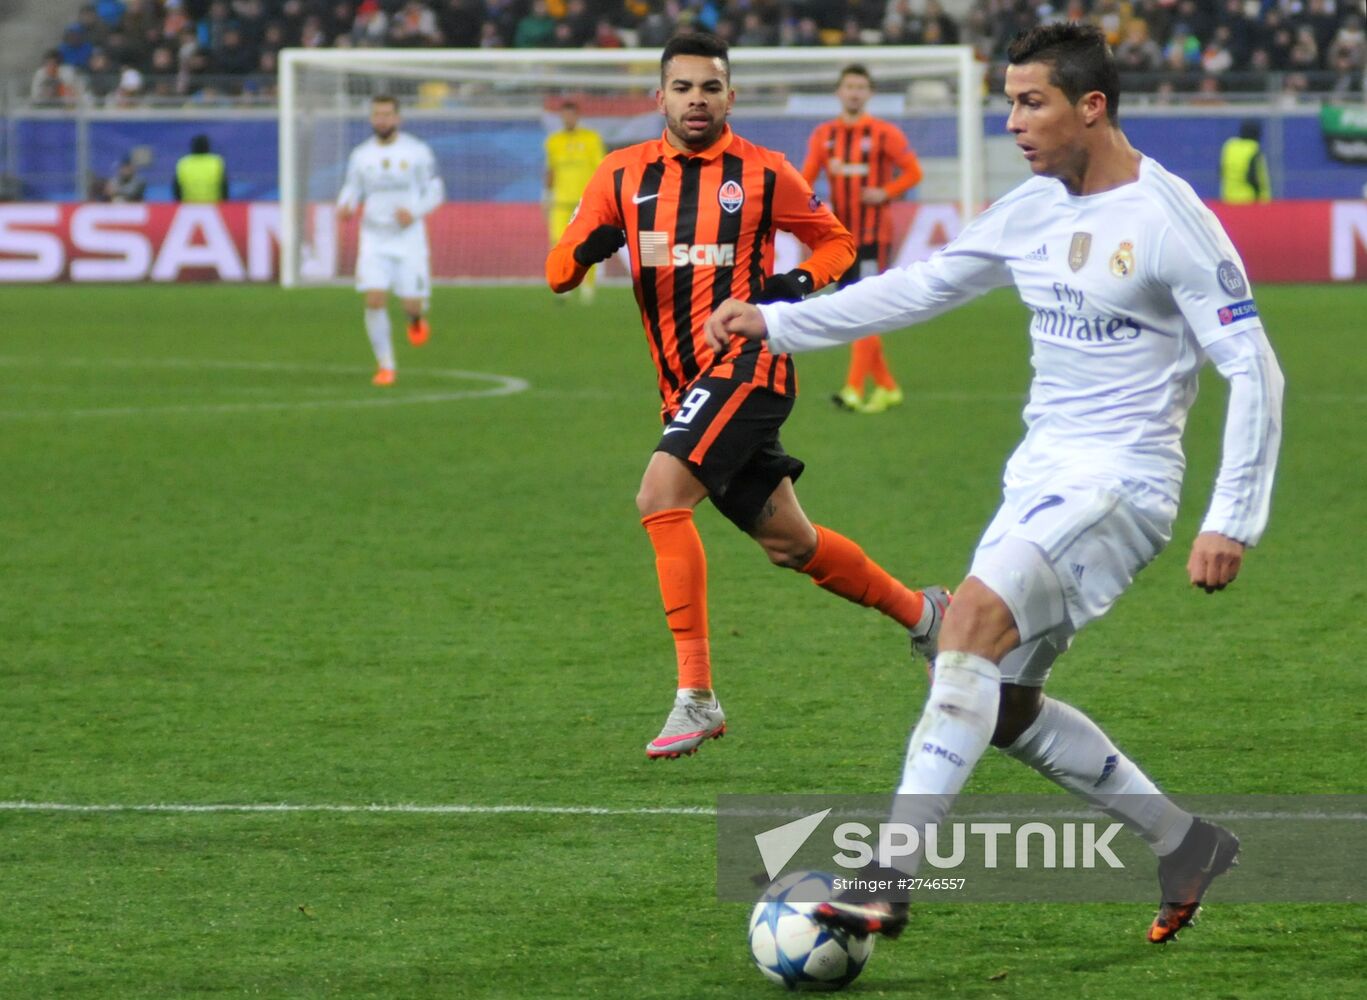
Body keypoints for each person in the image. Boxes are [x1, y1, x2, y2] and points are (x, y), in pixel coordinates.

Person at [706, 23, 1283, 943]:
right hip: (1040, 479)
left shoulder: (1168, 220)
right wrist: (776, 324)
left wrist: (1232, 519)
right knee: (1003, 704)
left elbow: (1253, 367)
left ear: (1090, 107)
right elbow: (924, 285)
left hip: (1119, 484)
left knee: (967, 623)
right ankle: (1184, 844)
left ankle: (887, 877)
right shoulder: (1033, 206)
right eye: (1008, 101)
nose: (1011, 121)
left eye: (1030, 102)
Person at [546, 32, 950, 760]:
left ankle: (696, 696)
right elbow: (555, 275)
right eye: (682, 88)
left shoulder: (763, 172)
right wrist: (587, 249)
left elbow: (837, 244)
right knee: (790, 543)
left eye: (710, 87)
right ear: (660, 97)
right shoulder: (620, 174)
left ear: (730, 97)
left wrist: (793, 285)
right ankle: (927, 616)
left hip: (750, 367)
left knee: (659, 496)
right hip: (683, 389)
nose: (696, 100)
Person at [801, 64, 924, 415]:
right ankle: (887, 386)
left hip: (873, 236)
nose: (854, 93)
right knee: (853, 309)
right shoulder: (824, 135)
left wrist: (886, 191)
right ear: (839, 92)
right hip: (841, 238)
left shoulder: (884, 133)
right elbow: (805, 179)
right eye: (849, 86)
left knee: (864, 309)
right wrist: (811, 207)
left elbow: (913, 172)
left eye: (860, 87)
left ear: (869, 94)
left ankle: (853, 388)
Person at [336, 95, 445, 387]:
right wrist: (345, 205)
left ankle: (416, 319)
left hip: (409, 238)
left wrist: (415, 212)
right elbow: (352, 187)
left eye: (387, 114)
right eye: (377, 114)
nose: (381, 120)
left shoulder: (417, 151)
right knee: (374, 299)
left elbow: (436, 191)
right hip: (374, 237)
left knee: (411, 306)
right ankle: (385, 365)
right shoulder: (361, 155)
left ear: (398, 118)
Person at [544, 99, 607, 304]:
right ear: (561, 117)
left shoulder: (591, 138)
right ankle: (564, 285)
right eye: (565, 115)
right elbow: (551, 169)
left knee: (587, 243)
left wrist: (600, 196)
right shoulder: (553, 141)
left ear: (577, 116)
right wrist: (546, 195)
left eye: (571, 115)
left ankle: (588, 287)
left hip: (585, 202)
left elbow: (600, 169)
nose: (568, 119)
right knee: (559, 243)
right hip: (560, 202)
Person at [1220, 120, 1272, 204]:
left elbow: (1221, 171)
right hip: (1249, 201)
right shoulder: (1253, 149)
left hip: (1228, 199)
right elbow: (1254, 177)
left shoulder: (1229, 146)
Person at [173, 134, 228, 203]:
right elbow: (224, 187)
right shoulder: (217, 162)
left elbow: (176, 189)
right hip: (213, 205)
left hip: (189, 205)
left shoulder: (183, 163)